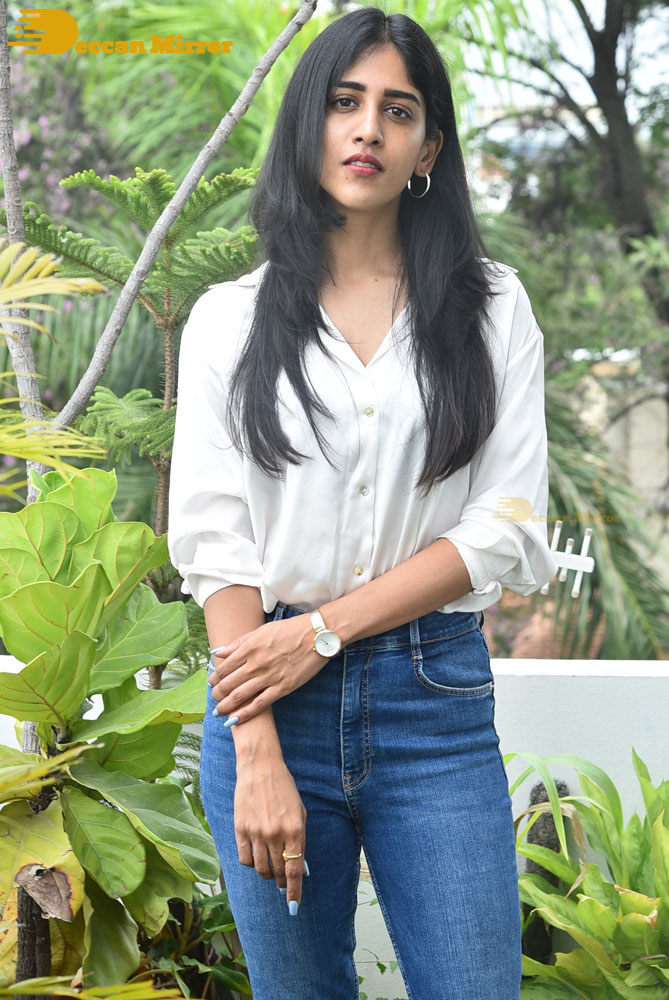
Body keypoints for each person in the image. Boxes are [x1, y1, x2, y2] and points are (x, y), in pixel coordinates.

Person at [167, 7, 558, 999]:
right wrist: (256, 743)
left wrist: (325, 632)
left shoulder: (491, 307)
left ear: (428, 149)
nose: (367, 129)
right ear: (309, 123)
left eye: (398, 109)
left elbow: (506, 526)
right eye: (345, 102)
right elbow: (215, 539)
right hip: (267, 703)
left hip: (434, 706)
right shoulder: (229, 322)